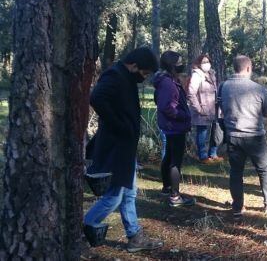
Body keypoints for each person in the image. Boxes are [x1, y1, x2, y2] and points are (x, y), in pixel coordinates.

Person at [83, 47, 164, 252]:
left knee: (129, 193)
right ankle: (81, 229)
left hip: (125, 147)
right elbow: (96, 98)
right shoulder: (114, 75)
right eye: (144, 73)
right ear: (134, 65)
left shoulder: (124, 76)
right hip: (115, 147)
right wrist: (119, 125)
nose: (144, 78)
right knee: (113, 197)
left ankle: (134, 236)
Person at [221, 55, 267, 221]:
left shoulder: (224, 87)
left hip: (233, 136)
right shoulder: (257, 88)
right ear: (248, 68)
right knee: (264, 170)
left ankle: (237, 207)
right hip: (255, 136)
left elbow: (220, 109)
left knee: (236, 172)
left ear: (234, 67)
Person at [154, 51, 195, 207]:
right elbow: (166, 107)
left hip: (172, 126)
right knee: (175, 161)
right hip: (174, 127)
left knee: (169, 156)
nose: (182, 64)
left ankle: (167, 188)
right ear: (171, 65)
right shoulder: (168, 83)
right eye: (179, 62)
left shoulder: (169, 81)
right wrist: (183, 115)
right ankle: (175, 196)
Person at [187, 54, 223, 164]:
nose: (206, 64)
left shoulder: (212, 74)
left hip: (213, 108)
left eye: (208, 61)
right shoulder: (196, 75)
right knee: (202, 132)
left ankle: (213, 153)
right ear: (198, 63)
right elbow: (191, 93)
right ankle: (203, 156)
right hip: (202, 109)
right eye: (203, 62)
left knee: (215, 131)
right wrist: (199, 109)